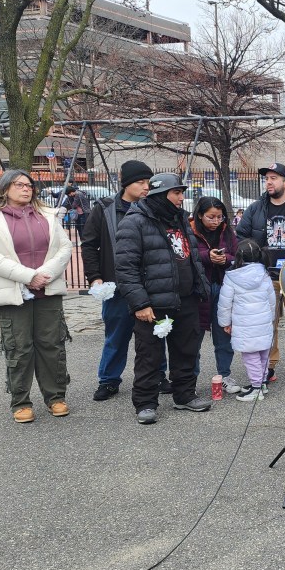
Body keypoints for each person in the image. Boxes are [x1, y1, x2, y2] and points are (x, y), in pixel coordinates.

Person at [0, 170, 73, 423]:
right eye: (19, 185)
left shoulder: (47, 216)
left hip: (47, 290)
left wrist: (44, 274)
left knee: (52, 345)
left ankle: (55, 397)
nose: (26, 189)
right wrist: (28, 276)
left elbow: (64, 247)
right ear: (5, 189)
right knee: (19, 348)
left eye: (30, 186)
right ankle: (21, 401)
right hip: (12, 293)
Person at [117, 173, 212, 425]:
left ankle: (184, 395)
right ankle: (146, 403)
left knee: (187, 350)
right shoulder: (134, 222)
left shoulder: (181, 218)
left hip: (186, 299)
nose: (182, 197)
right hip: (153, 305)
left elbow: (190, 257)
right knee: (149, 355)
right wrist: (140, 303)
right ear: (161, 195)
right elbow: (125, 267)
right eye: (176, 193)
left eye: (182, 192)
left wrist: (200, 287)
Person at [82, 160, 165, 401]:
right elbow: (89, 245)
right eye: (140, 182)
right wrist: (95, 277)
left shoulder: (154, 207)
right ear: (127, 183)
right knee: (116, 335)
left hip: (150, 284)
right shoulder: (104, 208)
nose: (146, 187)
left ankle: (158, 375)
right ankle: (108, 380)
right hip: (116, 286)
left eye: (148, 182)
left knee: (155, 333)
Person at [235, 162, 285, 384]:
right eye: (266, 178)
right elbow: (241, 237)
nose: (268, 182)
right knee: (268, 322)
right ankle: (268, 365)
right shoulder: (255, 208)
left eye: (273, 178)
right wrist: (256, 256)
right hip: (265, 275)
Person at [218, 239, 275, 402]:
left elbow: (225, 303)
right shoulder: (264, 274)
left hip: (244, 325)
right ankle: (262, 383)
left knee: (250, 357)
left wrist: (225, 323)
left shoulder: (232, 276)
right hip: (263, 322)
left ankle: (256, 388)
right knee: (264, 353)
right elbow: (272, 299)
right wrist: (270, 318)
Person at [191, 196, 238, 391]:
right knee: (194, 337)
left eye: (219, 217)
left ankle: (225, 375)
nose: (216, 221)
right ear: (200, 215)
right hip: (199, 290)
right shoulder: (189, 231)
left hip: (223, 288)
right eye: (211, 217)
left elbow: (236, 256)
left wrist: (225, 259)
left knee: (224, 335)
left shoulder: (227, 232)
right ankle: (189, 379)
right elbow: (185, 256)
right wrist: (206, 257)